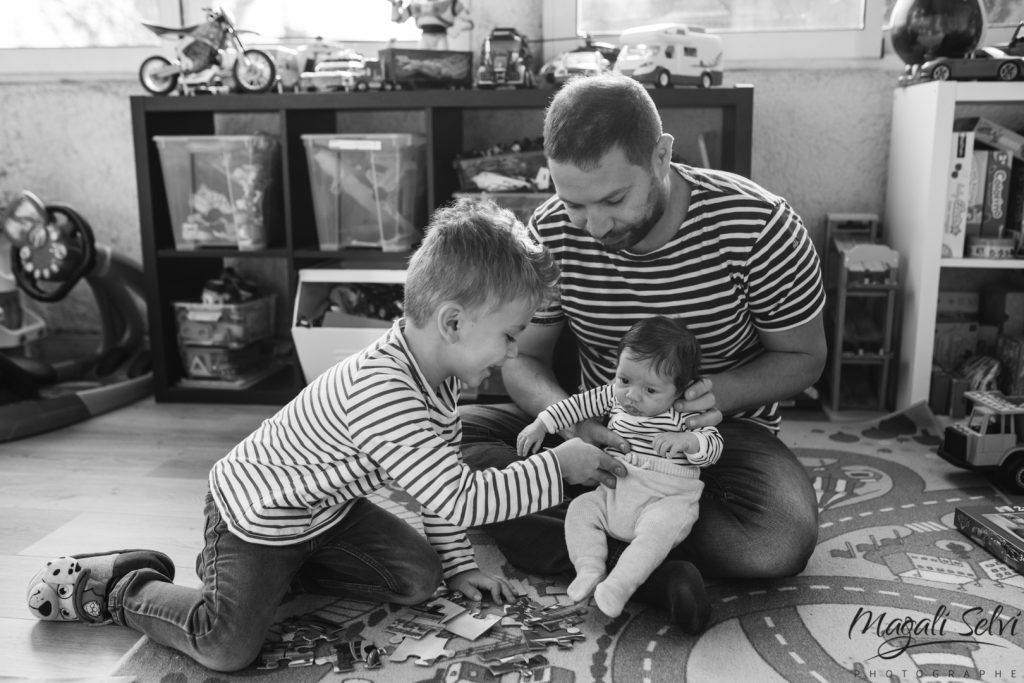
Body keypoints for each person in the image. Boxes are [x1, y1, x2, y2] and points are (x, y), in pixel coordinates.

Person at [24, 197, 626, 673]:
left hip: (325, 513)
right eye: (510, 335)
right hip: (255, 517)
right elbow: (461, 497)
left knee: (421, 579)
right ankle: (119, 587)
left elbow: (439, 484)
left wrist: (460, 565)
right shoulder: (384, 390)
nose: (515, 351)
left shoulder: (437, 376)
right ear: (452, 321)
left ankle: (294, 573)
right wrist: (559, 467)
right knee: (226, 646)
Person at [460, 72, 827, 634]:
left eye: (613, 199)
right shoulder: (553, 230)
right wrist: (575, 423)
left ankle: (596, 538)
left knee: (775, 542)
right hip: (597, 428)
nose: (596, 226)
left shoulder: (759, 227)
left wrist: (706, 402)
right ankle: (654, 571)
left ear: (661, 155)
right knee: (441, 435)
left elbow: (804, 358)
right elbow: (524, 359)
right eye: (575, 205)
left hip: (714, 438)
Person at [517, 316, 723, 620]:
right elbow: (573, 406)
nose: (632, 396)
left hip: (665, 498)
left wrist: (689, 442)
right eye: (624, 380)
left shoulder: (682, 414)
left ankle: (620, 584)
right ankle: (588, 567)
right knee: (581, 510)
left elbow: (714, 445)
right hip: (616, 488)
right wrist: (541, 425)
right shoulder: (613, 397)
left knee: (656, 534)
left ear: (680, 392)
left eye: (650, 391)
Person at [388, 0, 473, 50]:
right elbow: (398, 19)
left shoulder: (450, 3)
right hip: (425, 38)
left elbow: (469, 23)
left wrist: (456, 28)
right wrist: (395, 5)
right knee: (422, 62)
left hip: (442, 37)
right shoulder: (416, 4)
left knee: (443, 62)